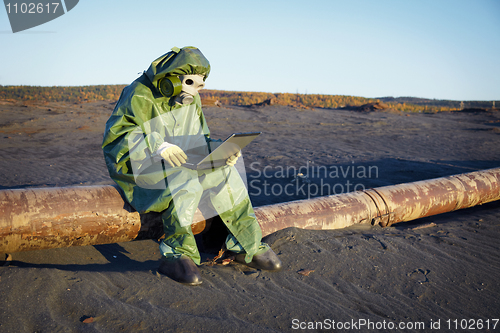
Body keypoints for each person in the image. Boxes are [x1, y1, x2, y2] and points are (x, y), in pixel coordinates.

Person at [102, 46, 281, 285]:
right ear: (171, 79)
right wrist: (158, 146)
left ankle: (245, 245)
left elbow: (199, 140)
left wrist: (220, 151)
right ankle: (177, 255)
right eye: (190, 83)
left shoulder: (190, 101)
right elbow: (116, 138)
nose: (195, 91)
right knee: (184, 179)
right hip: (139, 167)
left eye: (199, 86)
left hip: (180, 162)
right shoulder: (138, 93)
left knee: (226, 174)